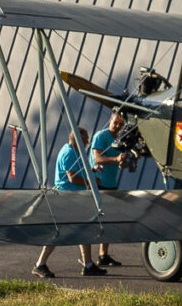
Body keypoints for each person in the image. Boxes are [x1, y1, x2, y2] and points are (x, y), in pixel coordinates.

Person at [31, 127, 107, 278]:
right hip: (65, 198)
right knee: (59, 232)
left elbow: (78, 171)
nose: (87, 142)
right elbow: (73, 178)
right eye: (85, 140)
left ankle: (88, 264)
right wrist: (90, 183)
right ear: (77, 139)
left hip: (73, 198)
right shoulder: (69, 153)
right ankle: (40, 264)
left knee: (83, 230)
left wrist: (92, 169)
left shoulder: (74, 152)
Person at [89, 111, 126, 267]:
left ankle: (103, 255)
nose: (117, 126)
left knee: (109, 220)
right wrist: (116, 159)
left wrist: (121, 161)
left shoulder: (119, 139)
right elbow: (97, 158)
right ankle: (88, 260)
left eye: (120, 124)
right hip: (100, 183)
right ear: (110, 120)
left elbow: (118, 161)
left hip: (111, 184)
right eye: (115, 122)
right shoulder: (101, 136)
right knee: (98, 221)